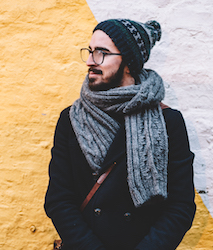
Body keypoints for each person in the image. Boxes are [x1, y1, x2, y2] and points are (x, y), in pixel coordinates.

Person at [44, 19, 196, 250]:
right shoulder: (71, 119)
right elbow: (58, 199)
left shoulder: (169, 122)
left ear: (128, 61)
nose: (89, 61)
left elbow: (180, 206)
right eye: (90, 51)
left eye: (101, 53)